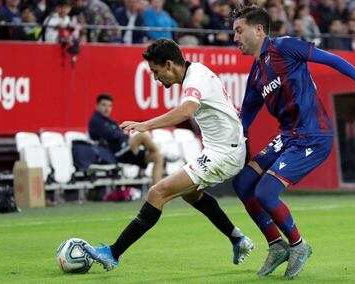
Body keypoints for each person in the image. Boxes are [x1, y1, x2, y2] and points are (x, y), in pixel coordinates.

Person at [231, 6, 355, 279]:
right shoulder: (256, 75)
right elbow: (245, 119)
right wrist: (229, 145)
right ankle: (276, 245)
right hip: (288, 136)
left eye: (239, 30)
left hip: (314, 135)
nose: (234, 37)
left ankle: (298, 245)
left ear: (258, 30)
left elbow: (331, 60)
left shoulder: (286, 47)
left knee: (265, 192)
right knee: (243, 183)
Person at [84, 39, 254, 271]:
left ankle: (113, 253)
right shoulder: (196, 72)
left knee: (157, 193)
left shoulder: (196, 78)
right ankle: (238, 239)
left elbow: (186, 111)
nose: (155, 78)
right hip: (223, 149)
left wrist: (145, 125)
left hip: (225, 153)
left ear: (169, 65)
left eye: (155, 72)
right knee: (191, 195)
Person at [89, 94, 164, 185]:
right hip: (116, 154)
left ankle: (156, 191)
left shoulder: (110, 121)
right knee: (142, 135)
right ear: (97, 106)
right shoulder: (96, 121)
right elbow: (114, 136)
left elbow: (118, 134)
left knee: (158, 157)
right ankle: (158, 150)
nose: (107, 108)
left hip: (126, 151)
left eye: (109, 106)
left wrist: (122, 133)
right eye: (104, 105)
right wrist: (122, 134)